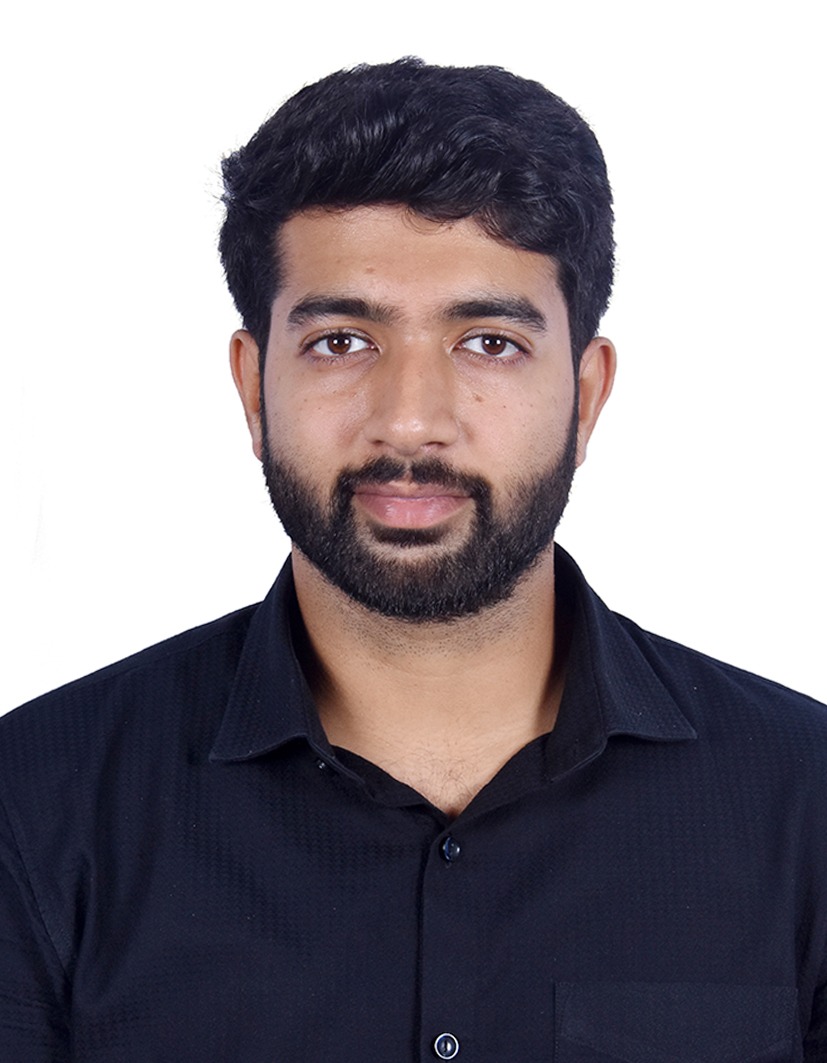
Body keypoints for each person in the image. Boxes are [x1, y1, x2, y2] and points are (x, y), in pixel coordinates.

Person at [0, 57, 824, 1062]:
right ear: (253, 389)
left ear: (585, 395)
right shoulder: (34, 805)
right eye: (342, 341)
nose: (409, 420)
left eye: (489, 343)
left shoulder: (804, 807)